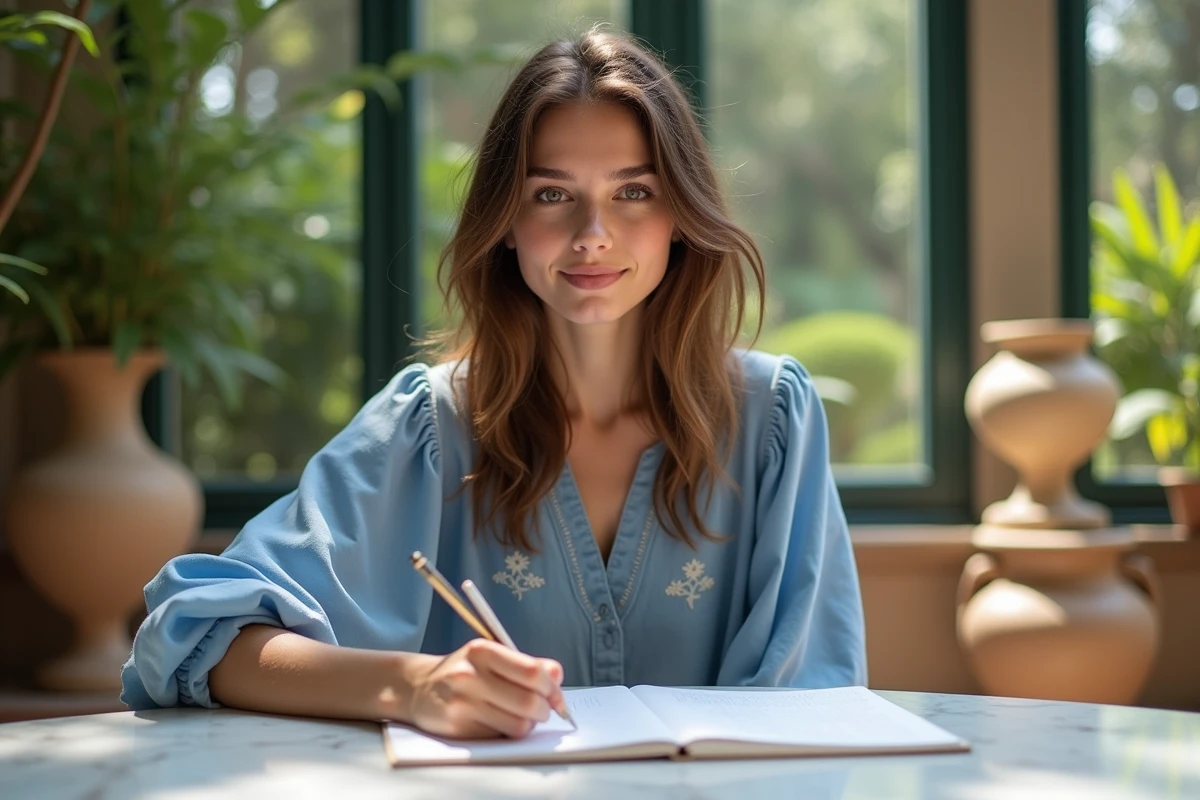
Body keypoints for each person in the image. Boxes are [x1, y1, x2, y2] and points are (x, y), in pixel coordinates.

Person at [120, 27, 867, 740]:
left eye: (633, 192)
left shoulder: (773, 418)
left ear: (680, 214)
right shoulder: (428, 428)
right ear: (505, 219)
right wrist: (414, 686)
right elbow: (195, 631)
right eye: (551, 194)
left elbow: (818, 697)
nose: (592, 234)